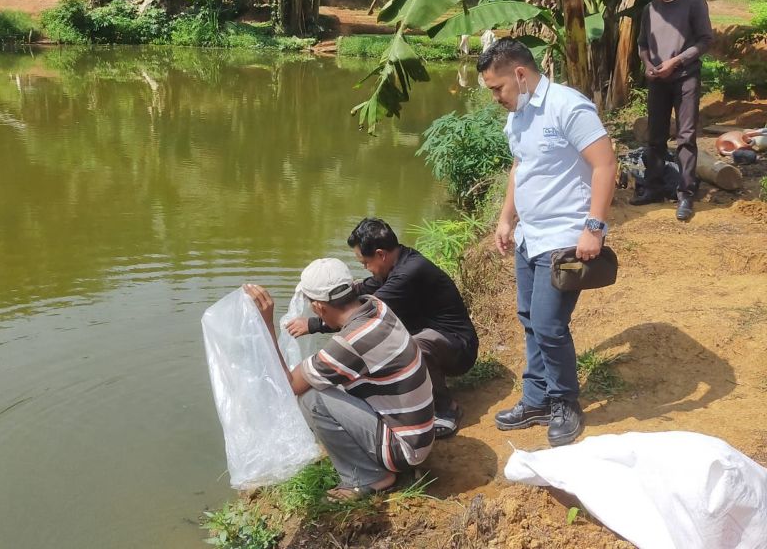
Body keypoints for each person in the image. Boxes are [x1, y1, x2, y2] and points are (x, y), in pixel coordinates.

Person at [477, 37, 616, 447]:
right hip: (529, 236)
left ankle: (565, 402)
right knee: (529, 318)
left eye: (497, 88)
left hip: (563, 237)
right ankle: (537, 398)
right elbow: (520, 167)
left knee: (550, 324)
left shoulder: (568, 106)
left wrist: (594, 227)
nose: (496, 97)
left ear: (519, 74)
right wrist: (506, 218)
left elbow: (605, 163)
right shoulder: (517, 114)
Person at [244, 258, 434, 500]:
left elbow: (290, 384)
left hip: (404, 450)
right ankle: (365, 458)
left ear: (319, 307)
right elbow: (341, 329)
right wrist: (314, 326)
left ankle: (368, 477)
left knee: (311, 397)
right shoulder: (375, 306)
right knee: (326, 382)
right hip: (419, 433)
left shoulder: (348, 345)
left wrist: (266, 325)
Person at [286, 219, 478, 439]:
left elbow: (365, 313)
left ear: (381, 254)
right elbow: (367, 287)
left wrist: (313, 324)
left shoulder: (409, 273)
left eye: (365, 262)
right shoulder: (398, 263)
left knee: (414, 347)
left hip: (459, 347)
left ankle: (446, 409)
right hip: (440, 339)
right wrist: (342, 289)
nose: (366, 268)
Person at [630, 0, 713, 221]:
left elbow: (704, 41)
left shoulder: (694, 3)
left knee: (686, 136)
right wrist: (646, 64)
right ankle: (653, 187)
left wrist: (676, 61)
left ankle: (685, 194)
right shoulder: (650, 10)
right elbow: (642, 44)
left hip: (686, 77)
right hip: (657, 80)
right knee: (655, 136)